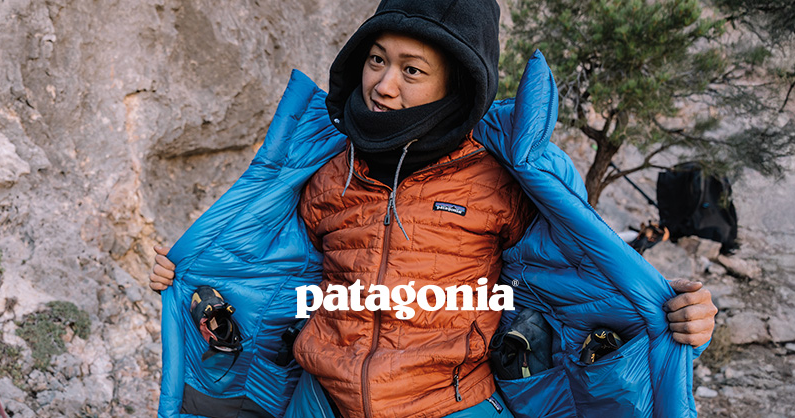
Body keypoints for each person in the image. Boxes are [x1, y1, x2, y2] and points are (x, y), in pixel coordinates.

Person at [151, 1, 717, 417]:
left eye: (411, 69)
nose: (383, 85)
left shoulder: (503, 176)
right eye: (376, 60)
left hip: (451, 405)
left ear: (458, 85)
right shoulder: (327, 167)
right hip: (319, 402)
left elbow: (591, 283)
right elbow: (264, 269)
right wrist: (182, 274)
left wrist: (687, 319)